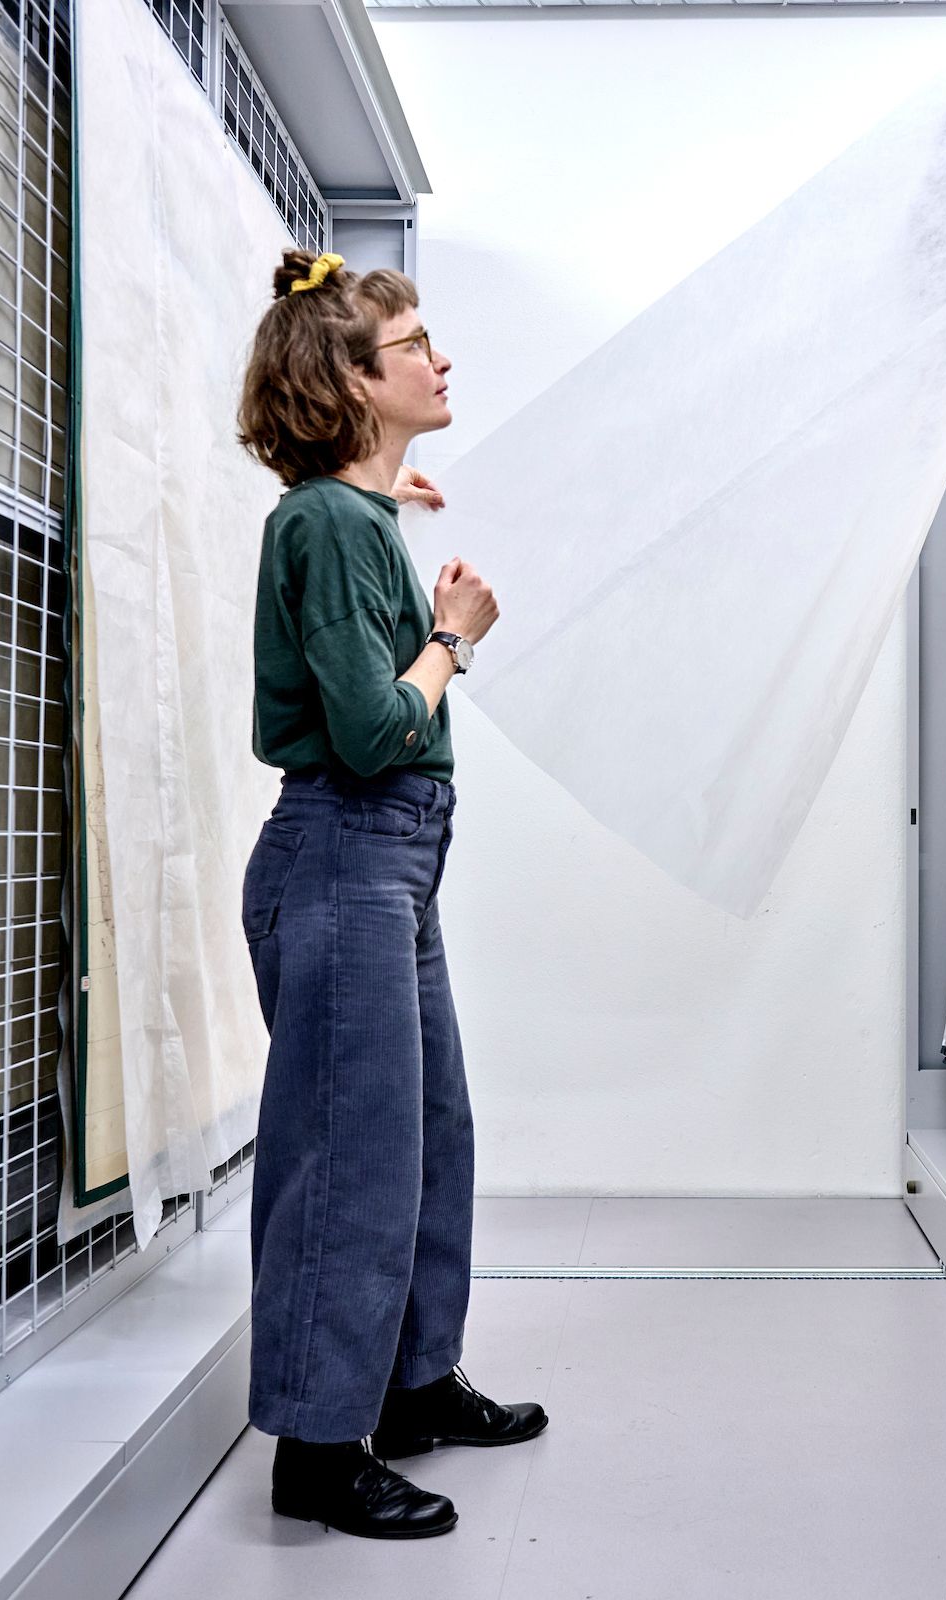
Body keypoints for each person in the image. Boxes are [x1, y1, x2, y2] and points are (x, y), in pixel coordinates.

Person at [233, 249, 541, 1540]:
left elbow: (347, 578)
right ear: (357, 381)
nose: (440, 358)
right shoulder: (320, 524)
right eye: (414, 342)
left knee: (430, 1133)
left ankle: (411, 1384)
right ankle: (316, 1447)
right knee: (349, 1158)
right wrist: (453, 637)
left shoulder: (348, 517)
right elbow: (368, 733)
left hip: (389, 867)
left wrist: (387, 520)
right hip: (348, 851)